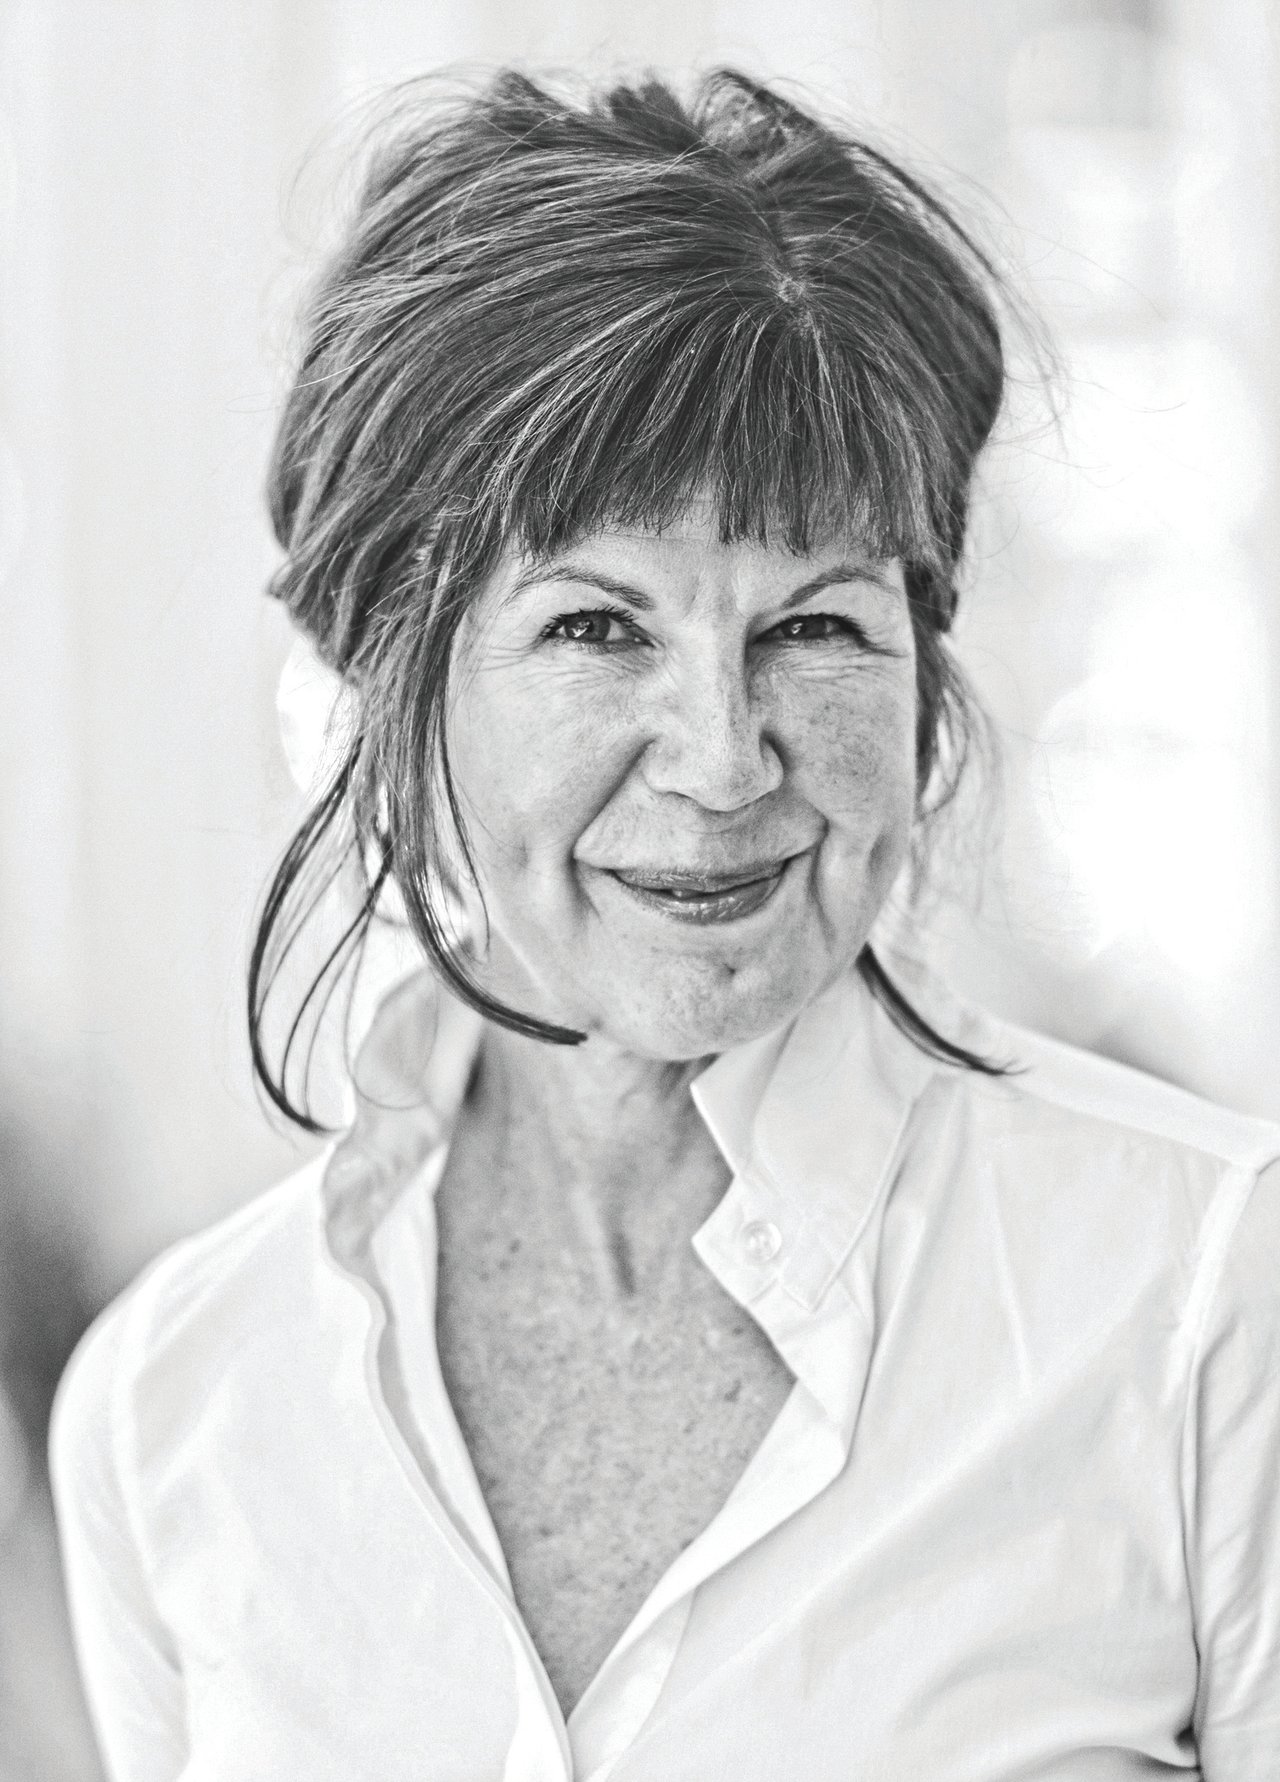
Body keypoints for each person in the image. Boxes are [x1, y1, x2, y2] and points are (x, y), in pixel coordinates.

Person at [49, 67, 1280, 1782]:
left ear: (924, 680)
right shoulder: (176, 1400)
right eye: (597, 628)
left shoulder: (1209, 1292)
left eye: (816, 627)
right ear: (387, 689)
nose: (722, 758)